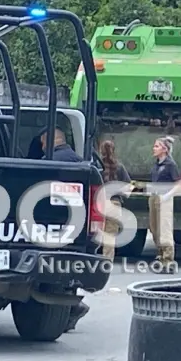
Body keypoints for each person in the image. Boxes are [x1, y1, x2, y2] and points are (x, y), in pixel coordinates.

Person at [39, 127, 88, 332]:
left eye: (42, 143)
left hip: (49, 222)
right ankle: (71, 306)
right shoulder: (79, 161)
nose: (42, 147)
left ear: (49, 141)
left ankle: (72, 307)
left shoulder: (48, 162)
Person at [148, 136, 181, 273]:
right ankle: (160, 254)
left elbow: (179, 184)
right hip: (154, 196)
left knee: (165, 229)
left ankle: (168, 259)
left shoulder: (170, 165)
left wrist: (168, 195)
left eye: (157, 146)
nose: (153, 148)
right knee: (154, 228)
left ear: (165, 149)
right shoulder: (157, 164)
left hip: (165, 198)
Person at [98, 140, 132, 261]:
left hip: (99, 203)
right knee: (110, 236)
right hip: (115, 203)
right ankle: (107, 260)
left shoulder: (97, 165)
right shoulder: (119, 167)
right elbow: (128, 186)